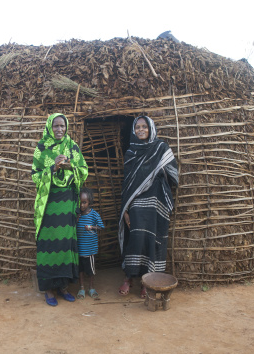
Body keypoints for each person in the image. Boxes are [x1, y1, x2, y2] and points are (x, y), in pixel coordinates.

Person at [118, 115, 178, 298]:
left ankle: (147, 280)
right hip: (136, 204)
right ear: (134, 131)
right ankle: (129, 277)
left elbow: (174, 175)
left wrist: (157, 172)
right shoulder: (131, 153)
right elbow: (128, 185)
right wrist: (126, 210)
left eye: (145, 126)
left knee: (152, 241)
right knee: (135, 239)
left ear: (151, 128)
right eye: (138, 127)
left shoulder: (161, 148)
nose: (141, 130)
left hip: (156, 203)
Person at [32, 113, 88, 306]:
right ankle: (48, 289)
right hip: (48, 203)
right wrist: (53, 168)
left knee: (65, 245)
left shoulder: (72, 146)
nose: (59, 129)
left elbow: (84, 170)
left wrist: (70, 166)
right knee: (49, 246)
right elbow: (35, 176)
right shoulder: (41, 148)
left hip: (67, 202)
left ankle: (63, 287)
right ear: (49, 126)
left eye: (62, 126)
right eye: (55, 125)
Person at [76, 187, 104, 299]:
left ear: (89, 202)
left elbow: (101, 227)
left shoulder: (94, 215)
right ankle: (81, 288)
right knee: (80, 270)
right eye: (80, 202)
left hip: (90, 249)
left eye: (84, 202)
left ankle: (91, 288)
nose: (82, 205)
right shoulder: (77, 215)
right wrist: (75, 220)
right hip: (79, 249)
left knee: (91, 270)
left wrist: (91, 227)